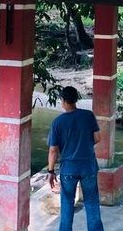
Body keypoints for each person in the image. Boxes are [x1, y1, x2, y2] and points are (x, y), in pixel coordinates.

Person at [47, 86, 104, 231]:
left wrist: (51, 171)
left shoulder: (57, 122)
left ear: (63, 100)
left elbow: (53, 150)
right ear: (75, 99)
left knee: (67, 206)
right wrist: (84, 145)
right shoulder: (88, 115)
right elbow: (98, 138)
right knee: (92, 203)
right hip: (89, 167)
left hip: (68, 170)